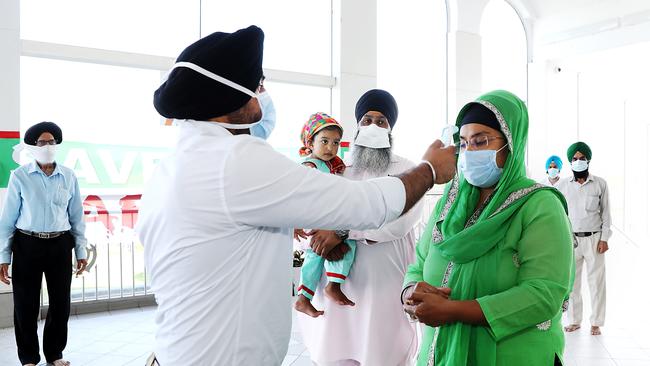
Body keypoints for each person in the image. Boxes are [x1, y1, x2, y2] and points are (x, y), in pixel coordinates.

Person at [135, 25, 457, 366]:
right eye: (258, 86)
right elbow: (365, 205)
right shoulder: (235, 159)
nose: (262, 94)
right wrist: (430, 170)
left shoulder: (172, 167)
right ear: (230, 97)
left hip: (178, 351)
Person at [401, 90, 574, 366]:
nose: (470, 152)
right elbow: (418, 264)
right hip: (442, 353)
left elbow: (544, 294)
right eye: (465, 144)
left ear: (511, 143)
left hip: (513, 356)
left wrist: (454, 311)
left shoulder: (538, 206)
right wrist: (409, 292)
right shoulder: (451, 202)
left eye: (481, 141)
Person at [298, 89, 423, 366]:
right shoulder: (339, 168)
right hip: (338, 275)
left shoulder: (408, 169)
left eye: (381, 122)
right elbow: (315, 209)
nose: (373, 127)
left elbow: (400, 223)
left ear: (391, 128)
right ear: (356, 126)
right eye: (366, 120)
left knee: (383, 350)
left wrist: (342, 231)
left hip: (385, 279)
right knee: (337, 347)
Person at [0, 122, 88, 366]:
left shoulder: (69, 176)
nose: (47, 146)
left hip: (60, 245)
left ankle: (55, 354)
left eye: (51, 141)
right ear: (32, 146)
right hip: (26, 244)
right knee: (25, 304)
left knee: (61, 303)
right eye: (41, 142)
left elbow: (77, 217)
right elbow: (7, 221)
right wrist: (3, 257)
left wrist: (80, 250)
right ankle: (28, 357)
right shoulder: (19, 177)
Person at [294, 112, 357, 317]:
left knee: (318, 256)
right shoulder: (309, 166)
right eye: (324, 141)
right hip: (314, 219)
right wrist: (294, 222)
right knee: (316, 254)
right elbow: (294, 195)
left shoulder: (331, 166)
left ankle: (309, 295)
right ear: (310, 142)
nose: (331, 147)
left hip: (326, 218)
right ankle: (330, 286)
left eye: (336, 142)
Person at [557, 142, 611, 336]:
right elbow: (558, 214)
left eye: (582, 158)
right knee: (572, 283)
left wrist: (605, 238)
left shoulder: (600, 184)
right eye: (574, 159)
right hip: (571, 240)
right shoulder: (562, 185)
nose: (578, 162)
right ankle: (574, 320)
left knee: (596, 282)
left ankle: (596, 322)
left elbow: (606, 213)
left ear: (588, 160)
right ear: (570, 162)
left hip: (594, 239)